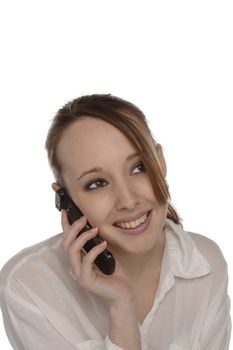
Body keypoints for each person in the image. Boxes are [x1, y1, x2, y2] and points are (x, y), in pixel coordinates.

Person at [0, 94, 231, 350]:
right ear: (65, 199)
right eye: (97, 183)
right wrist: (122, 306)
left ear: (160, 162)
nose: (128, 200)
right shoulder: (30, 284)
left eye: (138, 167)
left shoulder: (206, 264)